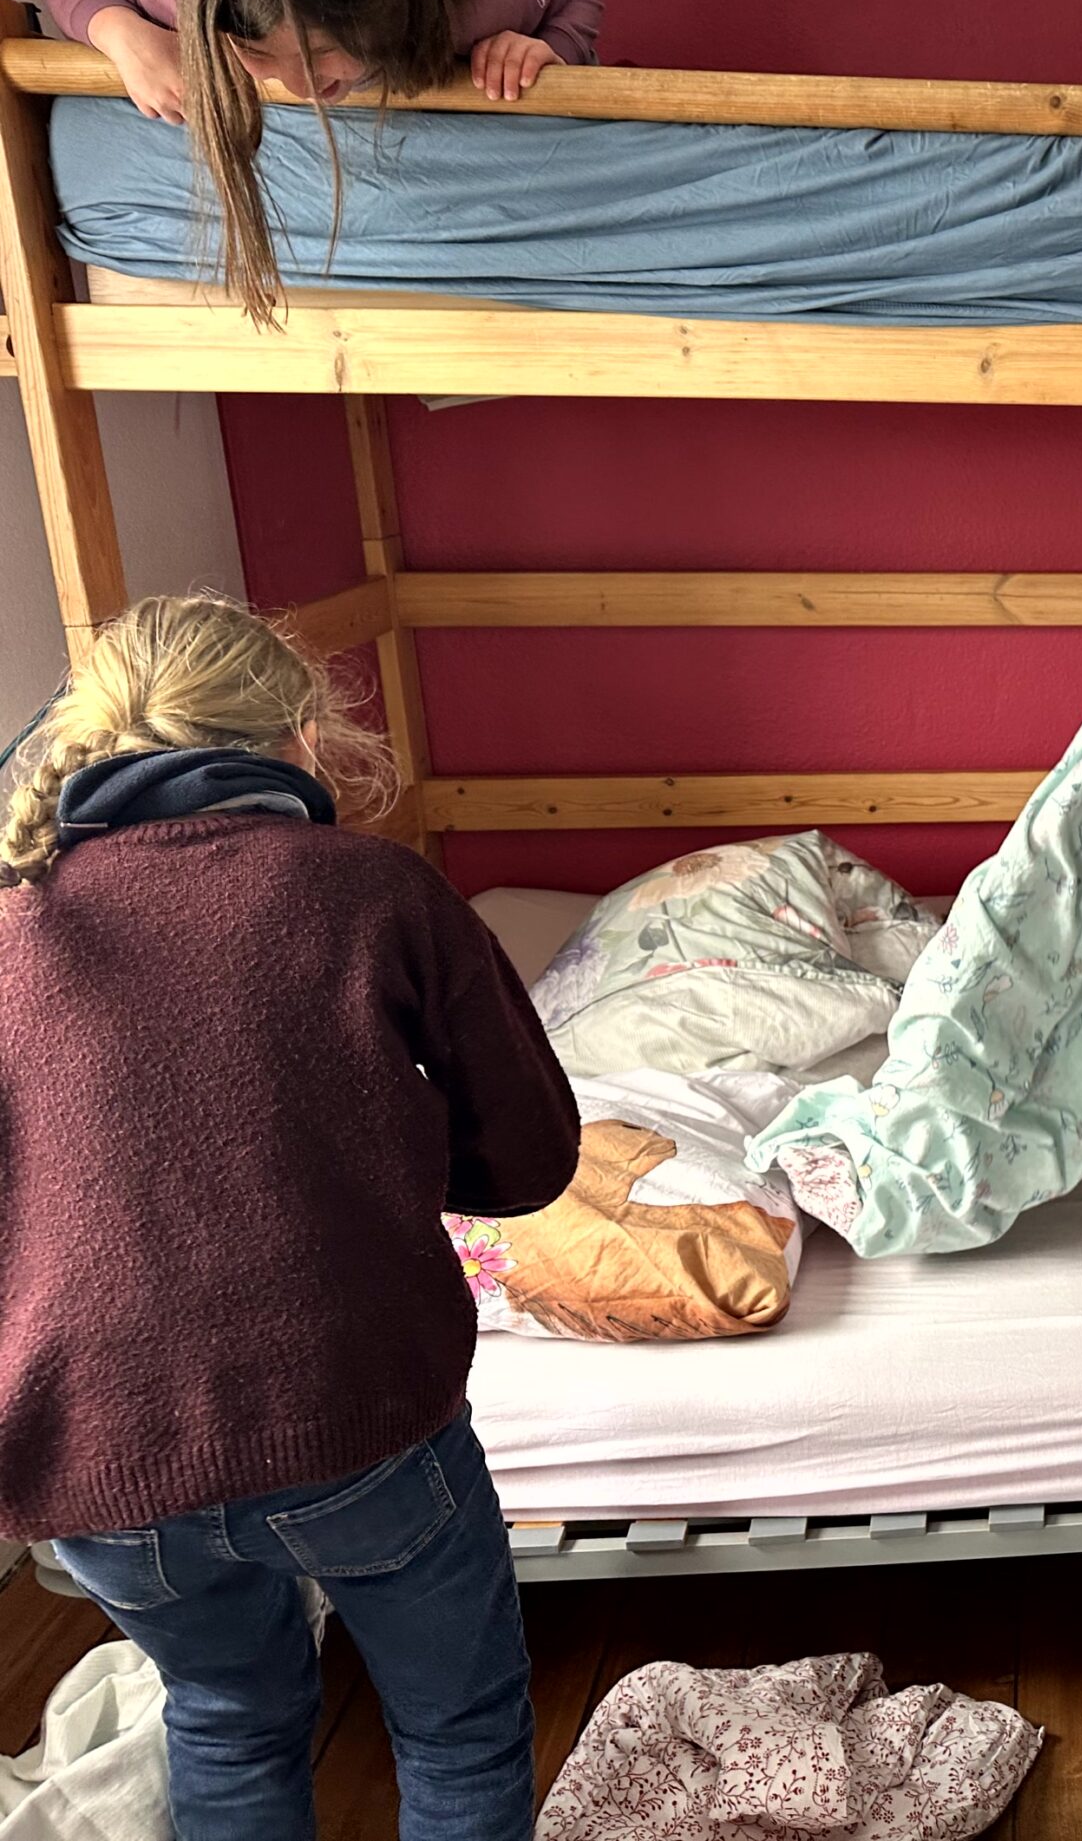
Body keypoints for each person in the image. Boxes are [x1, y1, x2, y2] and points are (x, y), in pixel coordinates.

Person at [0, 594, 581, 1841]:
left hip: (91, 1460)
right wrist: (356, 1164)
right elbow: (530, 1157)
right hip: (349, 1416)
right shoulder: (375, 890)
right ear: (303, 734)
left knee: (225, 1716)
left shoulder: (10, 921)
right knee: (460, 1732)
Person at [44, 0, 603, 324]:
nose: (301, 86)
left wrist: (550, 44)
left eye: (324, 51)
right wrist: (124, 35)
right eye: (257, 51)